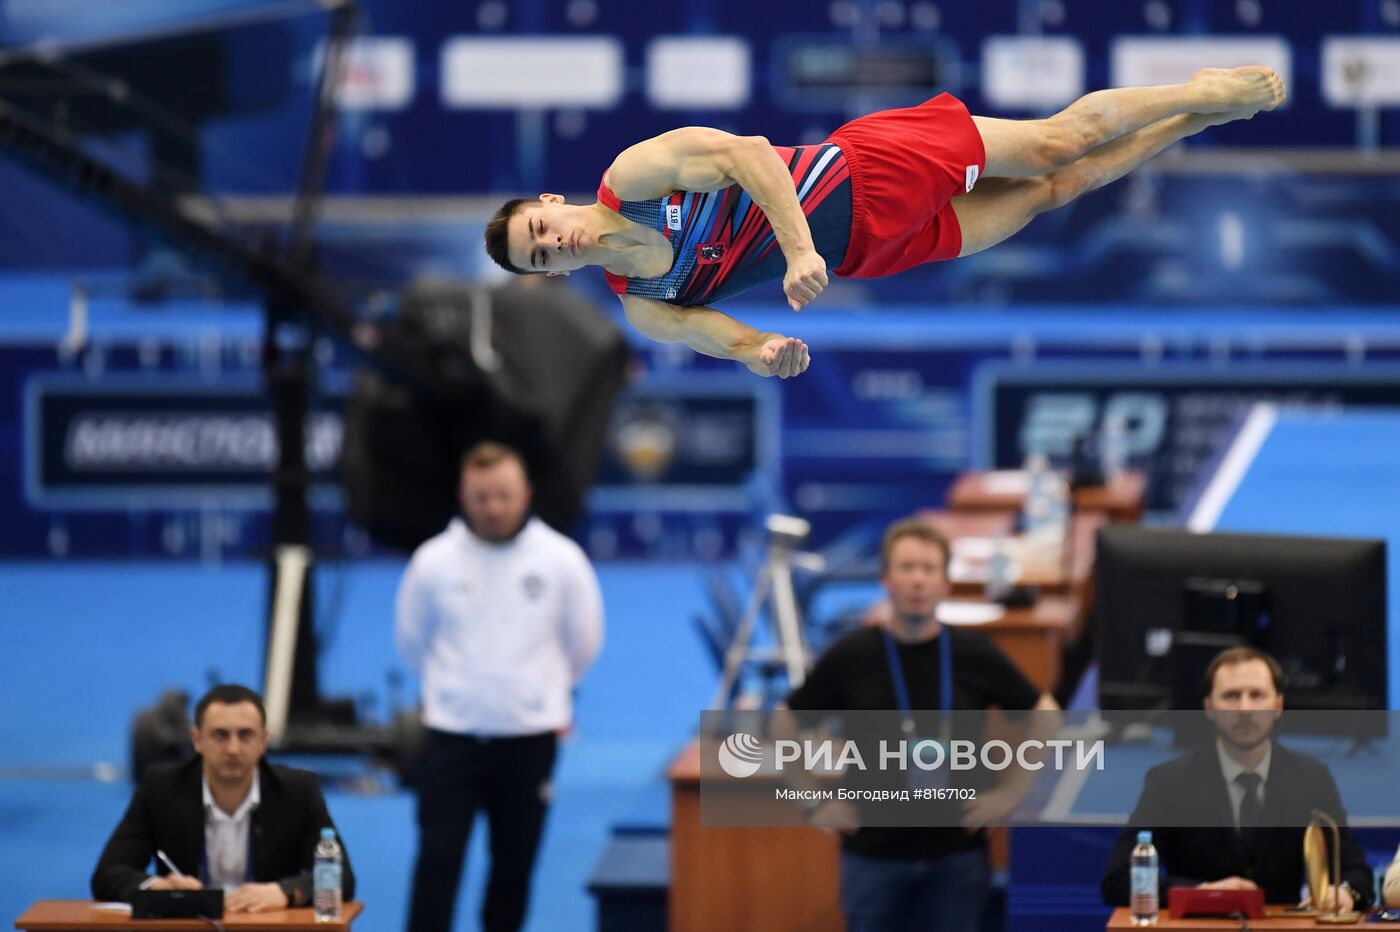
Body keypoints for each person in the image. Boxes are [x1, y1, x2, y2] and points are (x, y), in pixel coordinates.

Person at [483, 68, 1286, 378]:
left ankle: (1198, 90)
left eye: (541, 232)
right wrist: (768, 352)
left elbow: (749, 153)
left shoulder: (634, 176)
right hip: (872, 248)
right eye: (542, 260)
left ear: (552, 205)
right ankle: (1191, 122)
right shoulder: (645, 301)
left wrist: (796, 247)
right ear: (552, 279)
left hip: (866, 170)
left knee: (1053, 143)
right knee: (1054, 192)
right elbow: (721, 338)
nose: (556, 246)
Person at [782, 518, 1061, 932]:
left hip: (957, 856)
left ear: (945, 583)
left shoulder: (972, 653)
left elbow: (1047, 715)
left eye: (929, 569)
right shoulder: (852, 654)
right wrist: (812, 802)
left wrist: (1011, 794)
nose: (918, 581)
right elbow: (783, 719)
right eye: (907, 568)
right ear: (885, 580)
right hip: (873, 856)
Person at [397, 440, 604, 932]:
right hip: (450, 735)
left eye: (503, 496)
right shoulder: (432, 561)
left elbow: (584, 643)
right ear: (462, 496)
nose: (493, 507)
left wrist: (541, 693)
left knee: (512, 870)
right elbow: (411, 641)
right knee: (437, 862)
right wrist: (454, 691)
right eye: (481, 496)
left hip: (529, 736)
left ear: (526, 494)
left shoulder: (562, 560)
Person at [1101, 647, 1372, 912]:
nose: (1245, 708)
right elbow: (1118, 879)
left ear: (1278, 706)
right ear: (1209, 707)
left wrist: (1345, 892)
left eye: (1257, 695)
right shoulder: (1169, 781)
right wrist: (1203, 892)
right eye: (1231, 696)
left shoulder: (1311, 778)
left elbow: (1356, 872)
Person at [91, 684, 355, 909]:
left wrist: (284, 892)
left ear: (264, 741)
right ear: (197, 740)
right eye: (220, 735)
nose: (233, 748)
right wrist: (157, 887)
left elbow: (342, 879)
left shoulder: (297, 791)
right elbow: (107, 875)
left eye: (245, 735)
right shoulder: (162, 788)